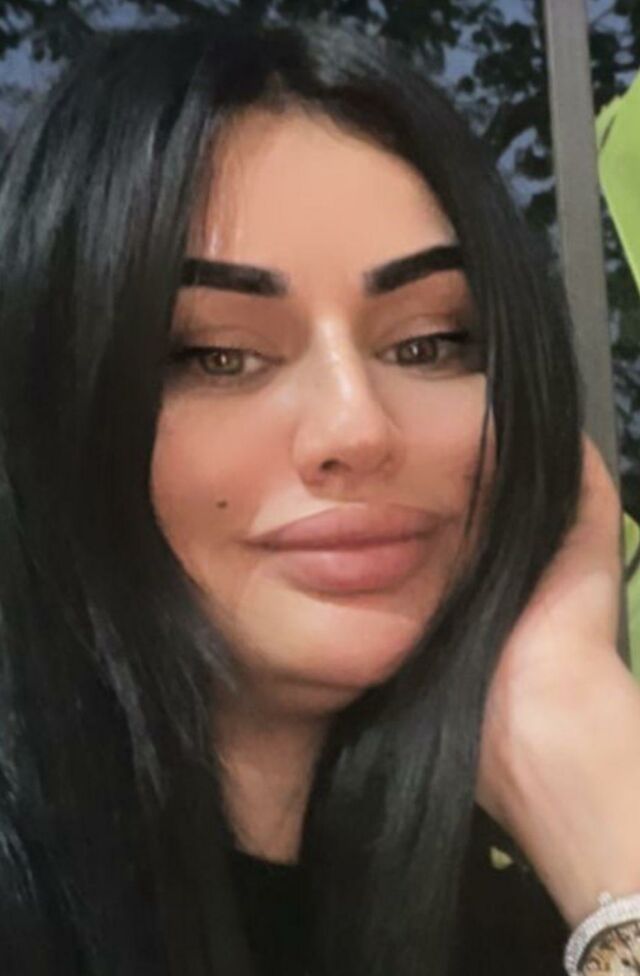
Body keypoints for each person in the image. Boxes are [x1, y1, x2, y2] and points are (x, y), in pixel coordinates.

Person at [0, 14, 637, 976]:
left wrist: (581, 761)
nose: (358, 429)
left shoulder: (553, 926)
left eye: (427, 343)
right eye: (219, 355)